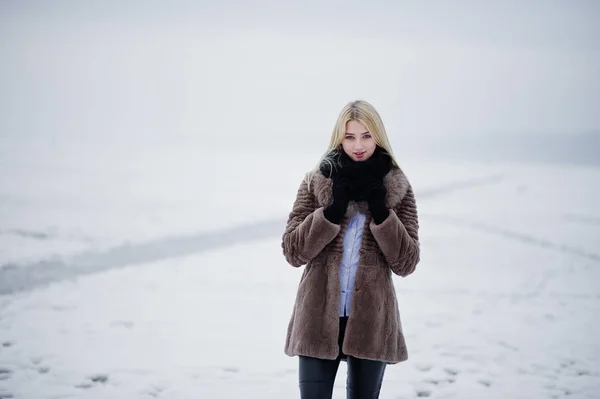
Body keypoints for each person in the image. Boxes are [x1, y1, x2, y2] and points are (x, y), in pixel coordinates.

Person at [281, 100, 421, 398]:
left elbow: (406, 262)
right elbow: (293, 251)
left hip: (372, 322)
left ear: (378, 137)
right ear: (339, 138)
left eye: (366, 136)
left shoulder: (397, 187)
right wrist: (330, 213)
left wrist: (383, 213)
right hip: (316, 318)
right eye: (350, 136)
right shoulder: (316, 181)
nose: (358, 145)